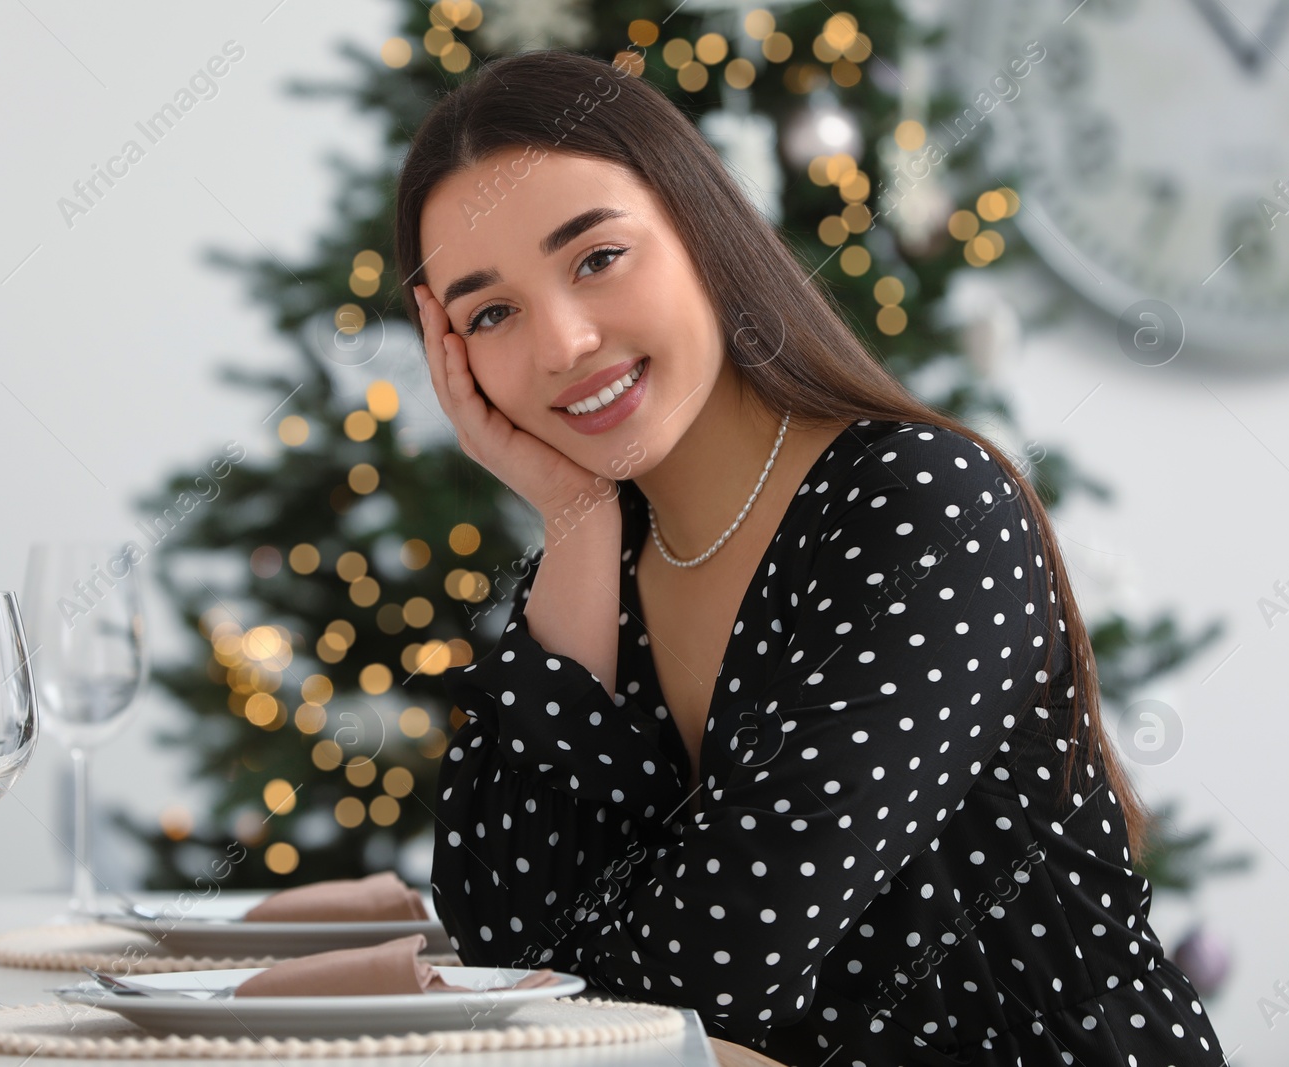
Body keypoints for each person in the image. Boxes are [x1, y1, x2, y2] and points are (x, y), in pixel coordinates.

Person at [392, 48, 1228, 1067]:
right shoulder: (595, 566)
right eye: (490, 313)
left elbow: (698, 973)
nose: (563, 341)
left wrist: (505, 991)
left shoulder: (920, 506)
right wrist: (569, 512)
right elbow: (499, 936)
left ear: (700, 228)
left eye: (596, 257)